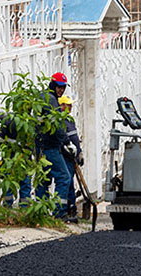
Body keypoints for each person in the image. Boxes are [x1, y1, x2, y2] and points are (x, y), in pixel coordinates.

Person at [34, 72, 72, 219]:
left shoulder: (43, 97)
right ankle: (59, 213)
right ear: (53, 85)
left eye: (63, 87)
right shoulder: (50, 100)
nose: (61, 90)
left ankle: (41, 212)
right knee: (64, 176)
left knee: (43, 179)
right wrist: (67, 142)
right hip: (49, 147)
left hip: (41, 146)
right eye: (59, 87)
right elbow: (56, 124)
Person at [59, 95, 83, 220]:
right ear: (61, 106)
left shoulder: (70, 120)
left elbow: (75, 138)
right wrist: (69, 151)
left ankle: (72, 207)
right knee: (66, 181)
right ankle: (66, 209)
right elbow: (63, 140)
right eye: (67, 105)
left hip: (73, 157)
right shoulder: (60, 121)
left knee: (70, 182)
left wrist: (80, 152)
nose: (70, 107)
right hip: (66, 156)